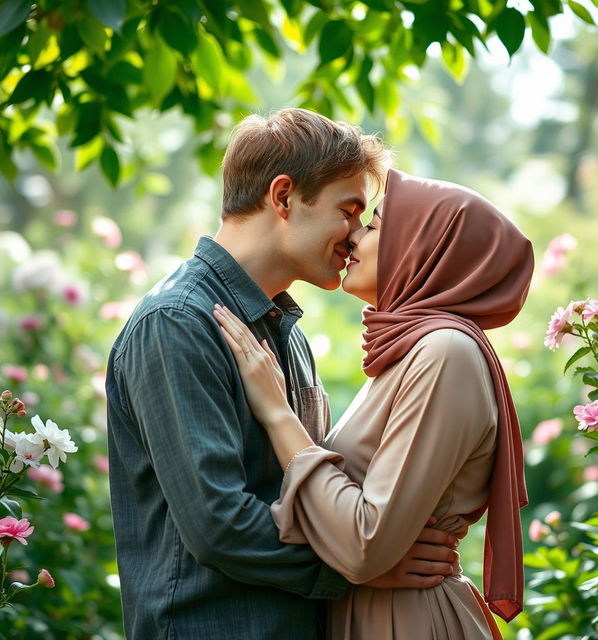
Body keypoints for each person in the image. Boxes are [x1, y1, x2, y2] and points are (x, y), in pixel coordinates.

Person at [106, 110, 459, 639]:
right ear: (284, 197)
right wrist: (362, 567)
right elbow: (218, 523)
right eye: (348, 209)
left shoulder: (286, 333)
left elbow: (308, 491)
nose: (357, 236)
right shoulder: (177, 323)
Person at [214, 167, 535, 639]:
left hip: (409, 620)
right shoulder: (408, 354)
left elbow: (364, 543)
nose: (353, 238)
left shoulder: (445, 353)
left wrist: (277, 411)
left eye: (375, 224)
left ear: (425, 250)